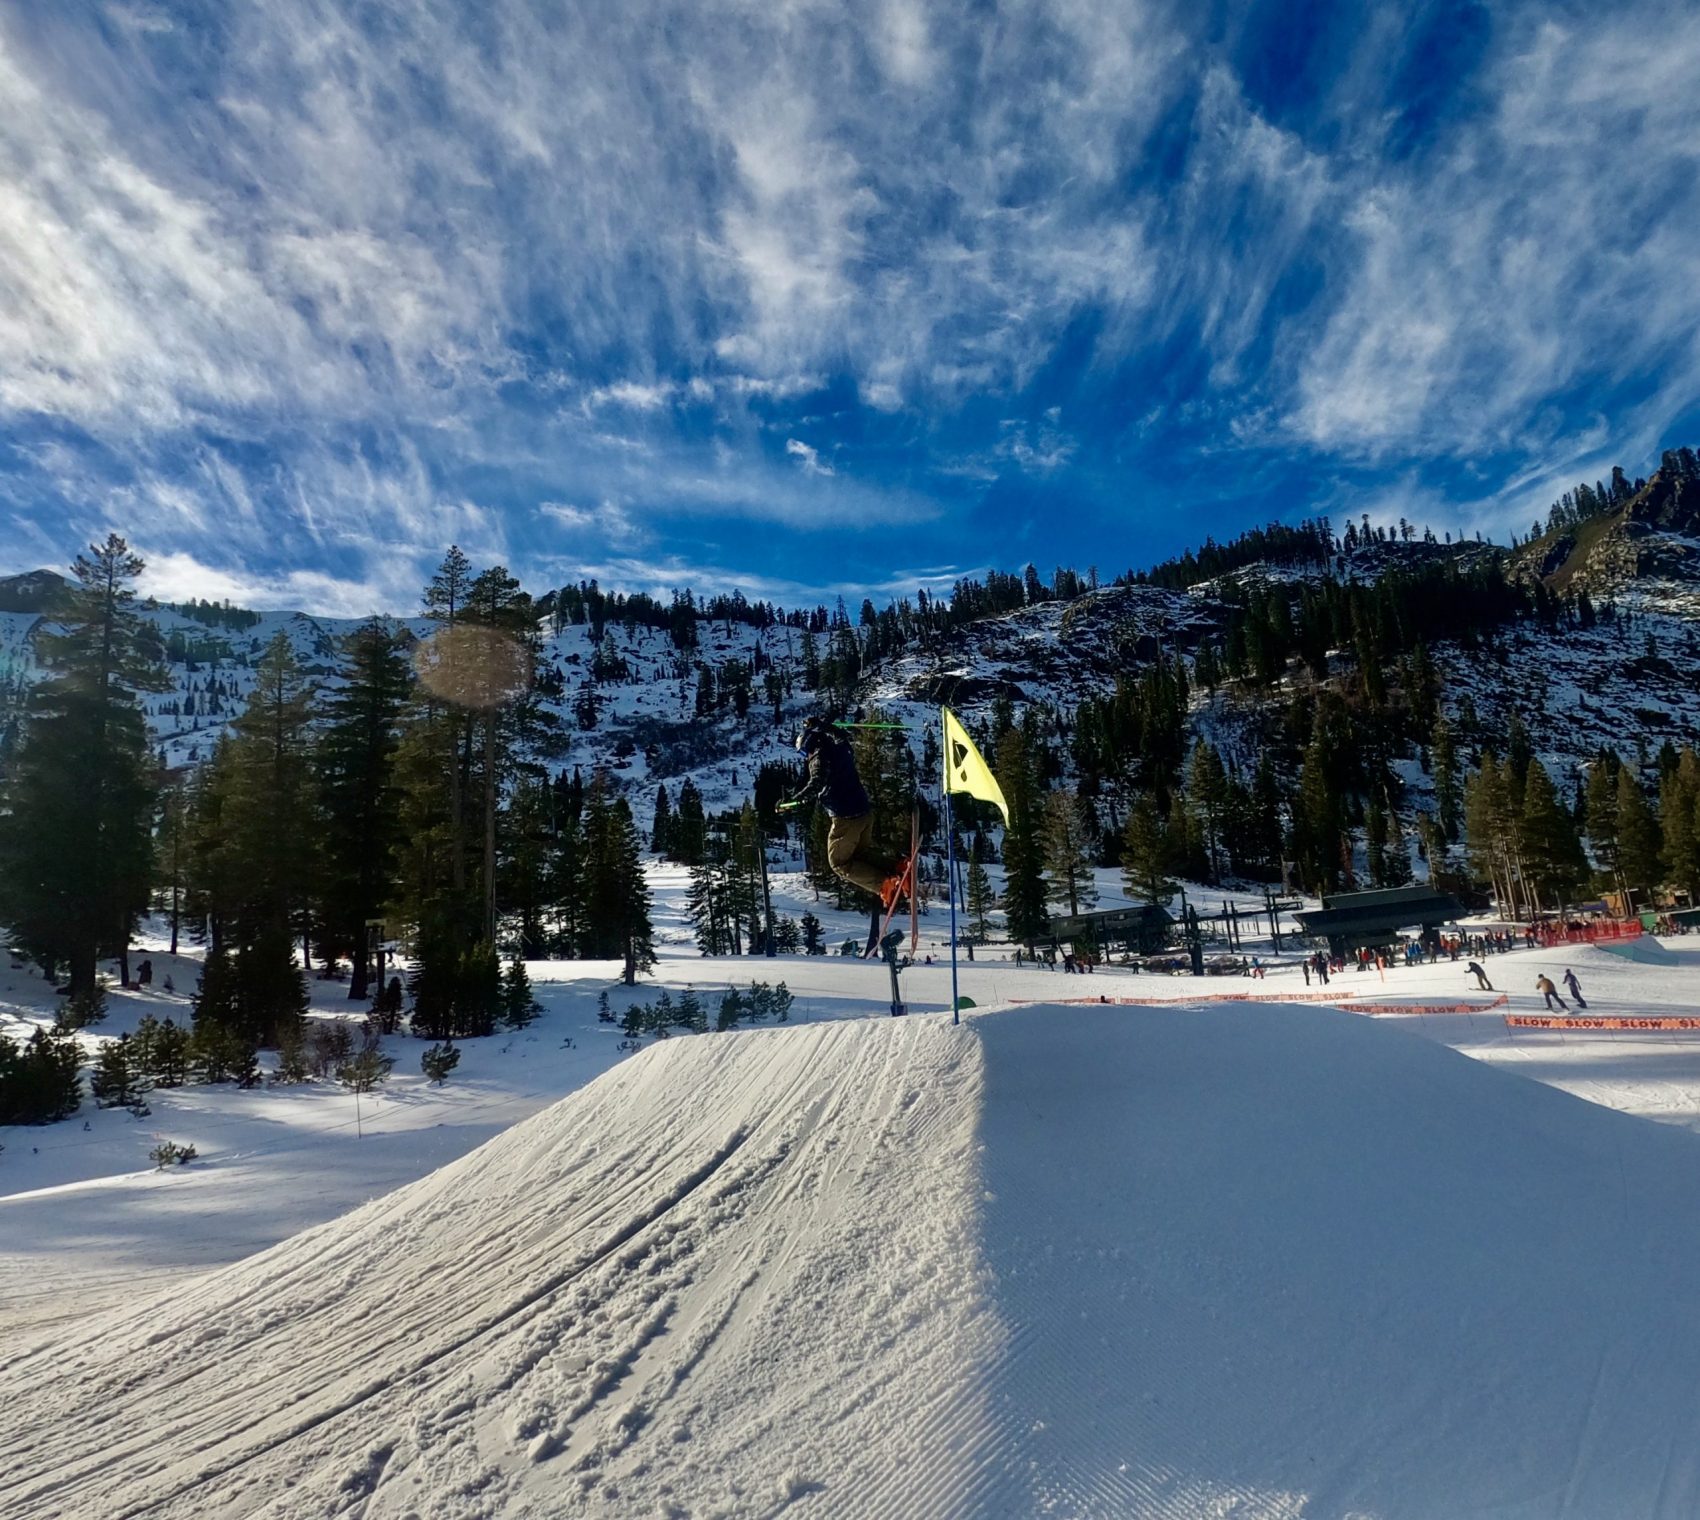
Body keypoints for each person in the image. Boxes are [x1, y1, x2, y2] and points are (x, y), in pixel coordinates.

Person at [790, 716, 903, 909]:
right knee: (858, 856)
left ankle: (885, 886)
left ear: (810, 745)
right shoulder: (841, 747)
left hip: (846, 818)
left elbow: (816, 781)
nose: (805, 757)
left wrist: (796, 799)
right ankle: (899, 868)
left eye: (804, 753)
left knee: (839, 863)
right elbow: (841, 734)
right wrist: (824, 725)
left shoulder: (818, 757)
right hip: (864, 813)